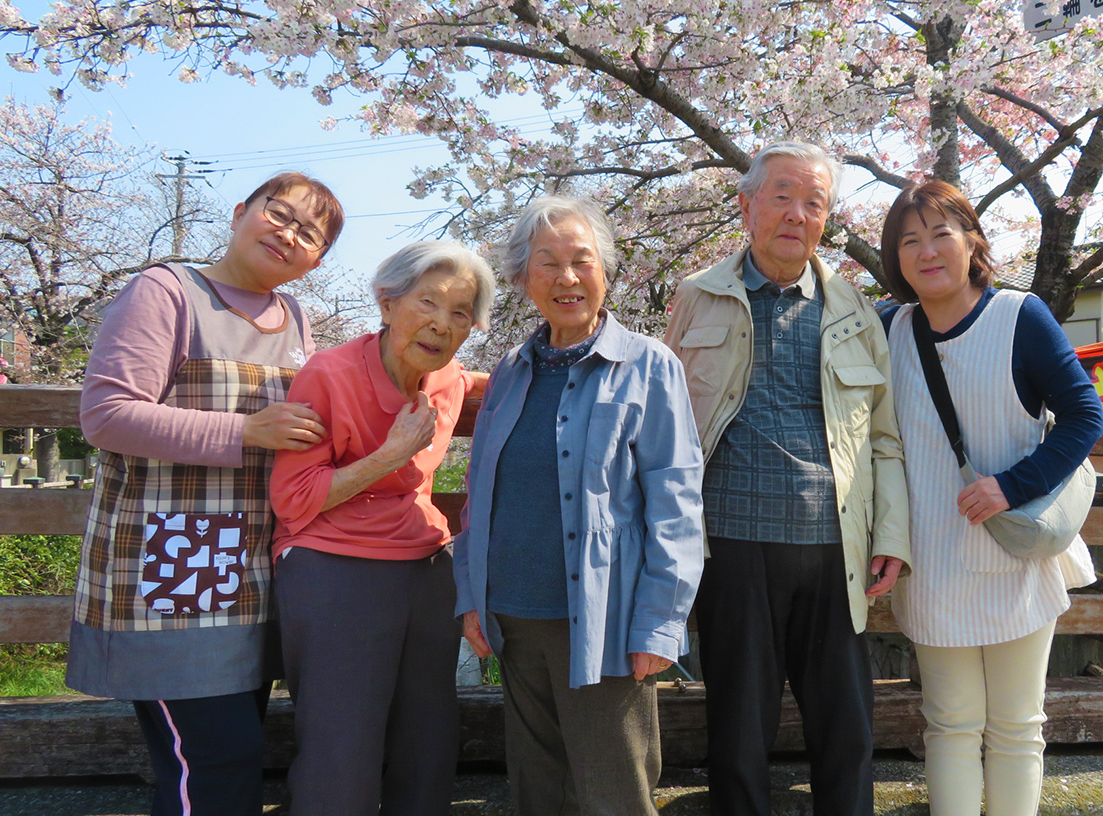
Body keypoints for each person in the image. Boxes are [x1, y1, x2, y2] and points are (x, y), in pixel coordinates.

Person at [66, 172, 344, 816]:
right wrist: (246, 431)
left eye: (310, 234)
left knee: (222, 759)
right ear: (242, 210)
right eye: (280, 215)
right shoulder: (166, 291)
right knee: (216, 763)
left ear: (317, 262)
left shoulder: (294, 318)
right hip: (166, 575)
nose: (289, 235)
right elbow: (105, 415)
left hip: (250, 574)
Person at [663, 141, 910, 816]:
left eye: (815, 202)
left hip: (836, 548)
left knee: (847, 729)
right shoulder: (696, 298)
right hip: (732, 547)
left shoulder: (855, 310)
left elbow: (884, 437)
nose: (797, 215)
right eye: (781, 197)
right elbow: (668, 428)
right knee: (738, 731)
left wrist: (891, 535)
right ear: (746, 207)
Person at [455, 195, 705, 816]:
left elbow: (676, 502)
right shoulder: (511, 371)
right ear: (522, 278)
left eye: (581, 261)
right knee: (537, 788)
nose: (566, 277)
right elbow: (481, 493)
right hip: (511, 616)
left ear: (605, 272)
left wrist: (659, 621)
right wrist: (471, 598)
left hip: (606, 619)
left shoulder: (648, 364)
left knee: (613, 791)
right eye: (547, 263)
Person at [878, 180, 1103, 816]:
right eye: (909, 240)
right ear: (896, 257)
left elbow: (1086, 416)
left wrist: (1013, 485)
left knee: (1015, 726)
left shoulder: (1018, 316)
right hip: (931, 560)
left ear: (971, 240)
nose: (926, 251)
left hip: (1013, 559)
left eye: (941, 233)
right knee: (948, 724)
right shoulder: (887, 329)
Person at [268, 240, 494, 816]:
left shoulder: (447, 379)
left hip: (422, 561)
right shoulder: (329, 374)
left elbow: (506, 385)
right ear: (388, 303)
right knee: (341, 749)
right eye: (428, 303)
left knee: (429, 740)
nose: (441, 324)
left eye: (460, 312)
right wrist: (389, 455)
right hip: (331, 559)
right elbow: (293, 500)